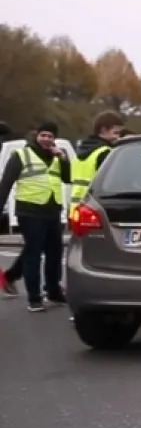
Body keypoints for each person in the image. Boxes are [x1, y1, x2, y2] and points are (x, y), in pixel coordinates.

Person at [0, 122, 71, 311]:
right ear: (36, 136)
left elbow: (67, 178)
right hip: (29, 211)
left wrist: (63, 159)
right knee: (33, 253)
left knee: (55, 252)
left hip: (52, 210)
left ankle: (54, 291)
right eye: (43, 135)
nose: (46, 139)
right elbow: (6, 183)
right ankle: (34, 298)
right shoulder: (21, 155)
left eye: (50, 136)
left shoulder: (57, 155)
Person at [69, 111, 125, 207]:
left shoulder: (79, 151)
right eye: (116, 133)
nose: (118, 137)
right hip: (95, 207)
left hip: (75, 207)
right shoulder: (105, 152)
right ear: (103, 130)